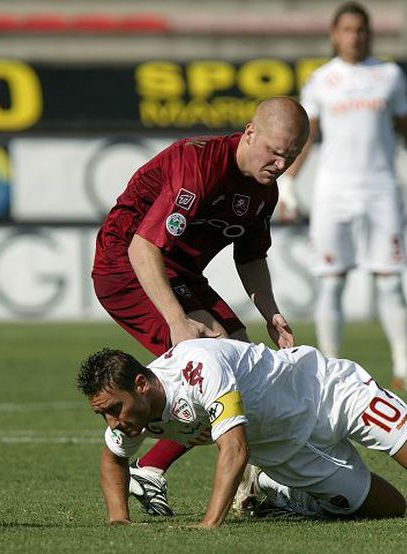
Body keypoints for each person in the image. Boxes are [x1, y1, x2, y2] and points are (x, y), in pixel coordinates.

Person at [92, 97, 310, 516]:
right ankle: (149, 468)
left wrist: (271, 313)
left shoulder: (265, 191)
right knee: (215, 358)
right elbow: (143, 248)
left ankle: (251, 487)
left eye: (292, 156)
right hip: (125, 266)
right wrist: (177, 321)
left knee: (244, 359)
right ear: (249, 132)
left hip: (177, 270)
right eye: (275, 151)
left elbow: (250, 257)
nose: (281, 163)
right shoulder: (200, 165)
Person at [77, 338, 407, 527]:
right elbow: (114, 457)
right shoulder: (132, 412)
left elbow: (234, 449)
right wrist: (119, 522)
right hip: (285, 452)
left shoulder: (197, 367)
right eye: (105, 415)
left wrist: (209, 525)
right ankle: (283, 493)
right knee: (390, 509)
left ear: (142, 385)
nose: (114, 422)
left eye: (114, 410)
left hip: (328, 393)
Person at [277, 1, 407, 393]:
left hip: (381, 190)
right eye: (348, 29)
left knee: (390, 281)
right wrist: (288, 184)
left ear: (370, 33)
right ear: (335, 34)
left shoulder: (389, 75)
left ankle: (404, 369)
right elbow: (307, 136)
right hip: (334, 192)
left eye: (361, 29)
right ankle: (330, 370)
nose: (355, 36)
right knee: (332, 281)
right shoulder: (321, 79)